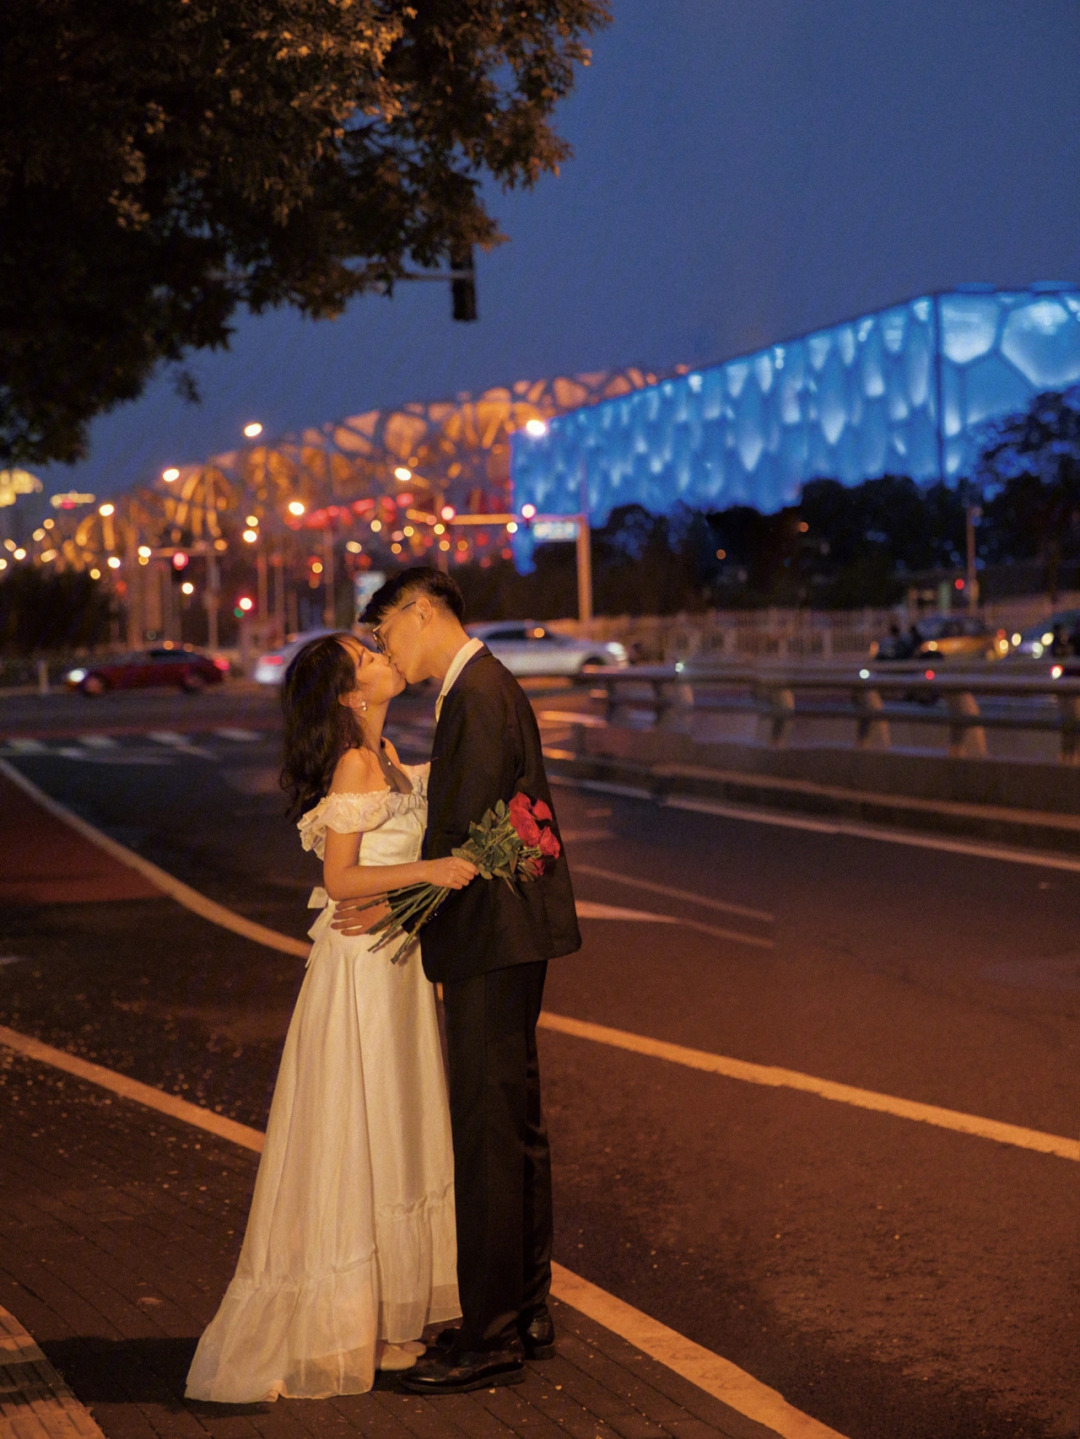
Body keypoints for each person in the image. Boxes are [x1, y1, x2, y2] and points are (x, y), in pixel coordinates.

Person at [185, 633, 473, 1402]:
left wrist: (422, 887)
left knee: (394, 1124)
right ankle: (358, 1326)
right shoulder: (354, 762)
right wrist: (433, 872)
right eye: (367, 657)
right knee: (367, 1124)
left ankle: (382, 1321)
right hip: (362, 972)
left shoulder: (385, 755)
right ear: (351, 694)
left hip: (394, 960)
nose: (383, 657)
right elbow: (340, 876)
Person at [334, 569, 581, 1395]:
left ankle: (491, 1336)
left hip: (491, 936)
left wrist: (390, 905)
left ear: (420, 611)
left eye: (386, 632)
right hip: (510, 934)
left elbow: (463, 843)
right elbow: (472, 829)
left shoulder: (475, 692)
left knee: (486, 1132)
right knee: (514, 1125)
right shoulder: (481, 685)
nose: (385, 649)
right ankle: (527, 1308)